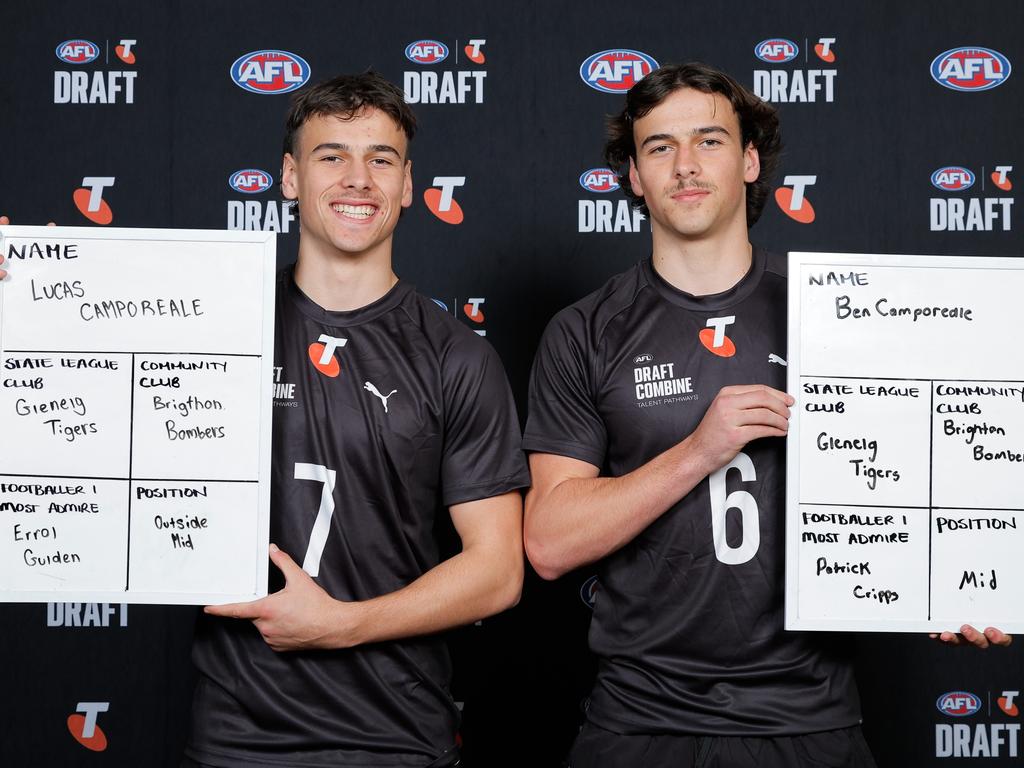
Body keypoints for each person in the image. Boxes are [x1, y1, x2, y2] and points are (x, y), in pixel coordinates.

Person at [521, 62, 1009, 768]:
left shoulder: (842, 314)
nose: (685, 166)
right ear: (632, 174)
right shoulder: (586, 330)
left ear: (750, 160)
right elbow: (550, 542)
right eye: (659, 148)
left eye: (709, 142)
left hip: (810, 719)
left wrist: (952, 582)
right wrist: (697, 450)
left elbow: (919, 490)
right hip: (640, 721)